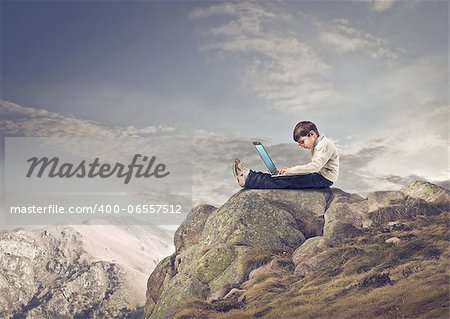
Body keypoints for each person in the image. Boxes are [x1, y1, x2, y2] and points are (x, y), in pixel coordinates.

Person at [232, 121, 339, 189]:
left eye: (302, 142)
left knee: (286, 180)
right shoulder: (319, 144)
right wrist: (289, 172)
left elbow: (315, 166)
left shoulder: (324, 145)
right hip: (320, 176)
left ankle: (248, 178)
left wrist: (291, 170)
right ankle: (250, 176)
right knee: (283, 177)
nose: (300, 145)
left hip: (323, 178)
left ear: (312, 134)